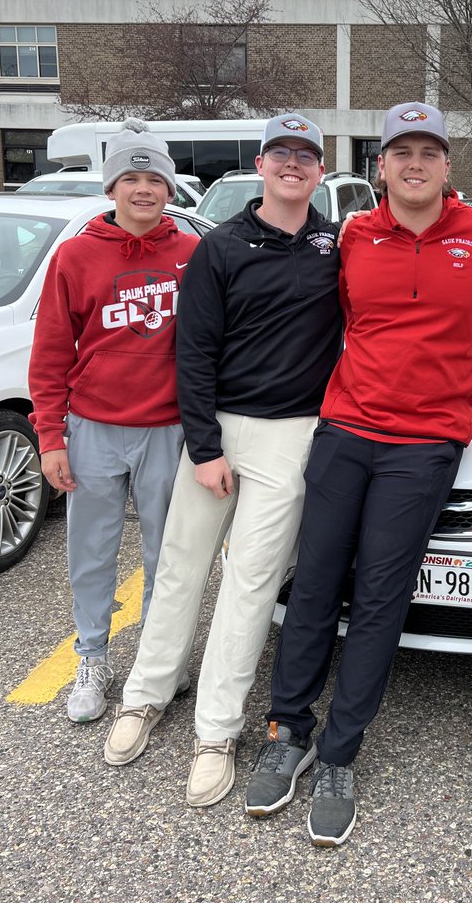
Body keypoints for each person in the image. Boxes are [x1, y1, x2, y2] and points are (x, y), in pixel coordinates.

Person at [245, 102, 472, 847]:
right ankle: (287, 731)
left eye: (430, 151)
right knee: (315, 586)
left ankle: (338, 754)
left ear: (447, 166)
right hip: (346, 430)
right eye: (402, 152)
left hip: (425, 445)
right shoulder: (354, 235)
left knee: (381, 600)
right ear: (381, 165)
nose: (415, 164)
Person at [103, 115, 344, 809]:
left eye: (305, 156)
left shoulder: (338, 245)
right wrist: (205, 447)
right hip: (222, 431)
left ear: (318, 171)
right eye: (280, 155)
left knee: (250, 585)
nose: (292, 165)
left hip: (293, 435)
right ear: (261, 166)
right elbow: (194, 352)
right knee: (180, 569)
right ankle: (145, 697)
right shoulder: (222, 247)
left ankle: (216, 732)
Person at [28, 119, 198, 723]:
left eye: (154, 177)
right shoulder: (74, 257)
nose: (143, 188)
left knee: (167, 554)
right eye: (131, 177)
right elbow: (50, 352)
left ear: (170, 189)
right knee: (91, 551)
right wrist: (51, 436)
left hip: (168, 429)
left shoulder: (192, 255)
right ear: (112, 188)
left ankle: (158, 658)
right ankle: (93, 657)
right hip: (93, 426)